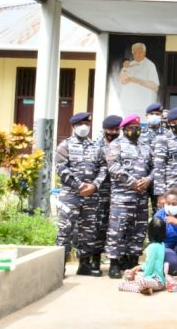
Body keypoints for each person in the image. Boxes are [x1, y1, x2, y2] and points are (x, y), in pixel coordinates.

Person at [55, 112, 106, 276]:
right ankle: (58, 267)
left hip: (91, 196)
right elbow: (61, 169)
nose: (85, 127)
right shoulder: (65, 146)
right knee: (65, 231)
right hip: (70, 196)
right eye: (81, 124)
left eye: (87, 124)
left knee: (88, 231)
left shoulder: (96, 147)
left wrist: (95, 185)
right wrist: (79, 185)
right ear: (74, 126)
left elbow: (103, 168)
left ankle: (84, 265)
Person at [105, 114, 154, 279]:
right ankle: (114, 263)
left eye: (138, 129)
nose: (135, 131)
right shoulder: (115, 146)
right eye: (132, 129)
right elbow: (113, 167)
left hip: (141, 197)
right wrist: (132, 182)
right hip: (122, 197)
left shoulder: (146, 147)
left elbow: (155, 167)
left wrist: (148, 179)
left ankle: (132, 261)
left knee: (138, 230)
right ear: (124, 129)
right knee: (117, 230)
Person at [93, 114, 122, 274]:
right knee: (99, 225)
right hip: (101, 192)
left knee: (117, 227)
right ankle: (95, 260)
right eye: (110, 129)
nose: (113, 132)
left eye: (117, 129)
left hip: (120, 192)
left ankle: (117, 262)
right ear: (104, 129)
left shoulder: (124, 145)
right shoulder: (96, 146)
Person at [118, 217, 167, 295]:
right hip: (159, 280)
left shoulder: (152, 247)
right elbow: (150, 264)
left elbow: (149, 267)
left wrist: (141, 277)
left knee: (127, 283)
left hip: (156, 280)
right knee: (130, 272)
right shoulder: (162, 245)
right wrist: (136, 269)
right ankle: (146, 289)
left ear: (150, 232)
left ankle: (141, 288)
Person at [118, 42, 159, 118]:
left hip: (144, 108)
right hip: (129, 107)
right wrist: (125, 69)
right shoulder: (129, 65)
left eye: (140, 52)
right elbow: (122, 81)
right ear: (132, 53)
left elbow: (155, 86)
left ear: (144, 52)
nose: (137, 54)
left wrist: (137, 80)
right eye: (135, 52)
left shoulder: (150, 65)